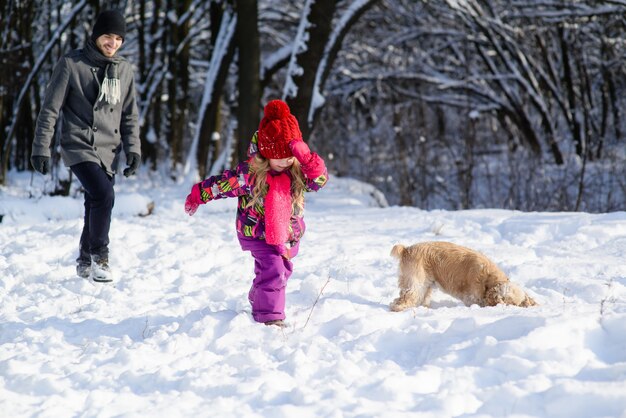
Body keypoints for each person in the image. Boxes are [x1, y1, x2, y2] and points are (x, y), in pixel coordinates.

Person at [184, 100, 328, 327]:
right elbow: (221, 185)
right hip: (257, 233)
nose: (285, 160)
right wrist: (197, 195)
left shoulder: (298, 173)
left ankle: (260, 295)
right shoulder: (250, 175)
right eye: (279, 155)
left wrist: (307, 159)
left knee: (282, 271)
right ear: (266, 153)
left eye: (290, 155)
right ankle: (269, 318)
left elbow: (320, 180)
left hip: (288, 235)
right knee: (274, 270)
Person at [31, 10, 141, 283]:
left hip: (108, 149)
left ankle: (83, 259)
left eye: (118, 38)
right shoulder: (71, 63)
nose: (112, 43)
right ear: (95, 36)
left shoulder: (124, 70)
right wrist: (40, 148)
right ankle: (100, 257)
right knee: (104, 195)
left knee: (95, 201)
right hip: (78, 142)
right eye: (107, 36)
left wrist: (134, 149)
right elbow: (50, 109)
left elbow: (129, 114)